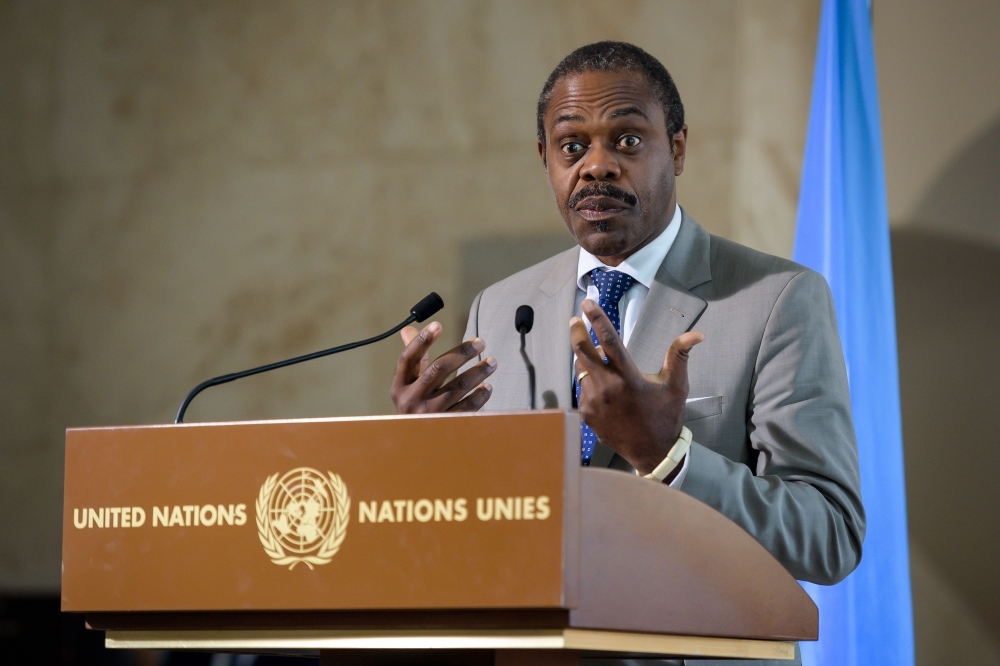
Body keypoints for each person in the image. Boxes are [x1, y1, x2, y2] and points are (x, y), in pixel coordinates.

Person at [389, 41, 865, 666]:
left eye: (629, 141)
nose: (596, 166)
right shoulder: (499, 309)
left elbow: (828, 536)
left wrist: (666, 456)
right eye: (571, 146)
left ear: (679, 148)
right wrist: (417, 461)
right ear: (546, 160)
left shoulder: (776, 299)